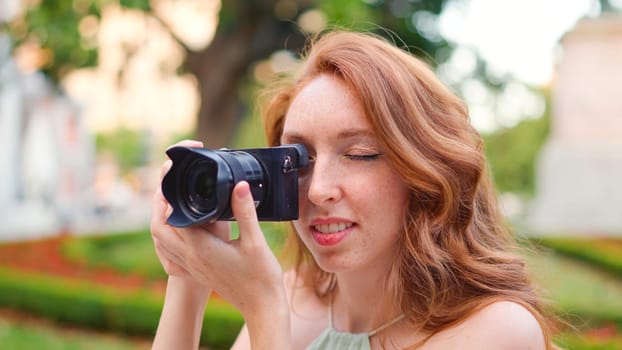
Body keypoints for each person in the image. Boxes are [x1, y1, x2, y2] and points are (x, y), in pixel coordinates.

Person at [150, 30, 557, 350]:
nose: (318, 191)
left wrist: (264, 312)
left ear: (424, 172)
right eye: (299, 159)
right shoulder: (294, 294)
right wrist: (188, 277)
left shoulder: (496, 330)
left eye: (359, 154)